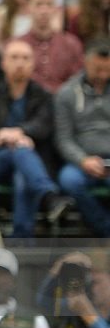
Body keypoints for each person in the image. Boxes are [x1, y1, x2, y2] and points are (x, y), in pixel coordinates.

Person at [0, 40, 72, 238]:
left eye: (25, 58)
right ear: (3, 63)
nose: (20, 63)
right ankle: (49, 196)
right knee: (20, 151)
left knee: (23, 174)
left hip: (31, 164)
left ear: (33, 64)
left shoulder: (43, 95)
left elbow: (43, 126)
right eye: (14, 57)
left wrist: (16, 133)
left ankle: (22, 239)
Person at [54, 37, 110, 236]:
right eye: (98, 69)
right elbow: (63, 138)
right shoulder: (67, 93)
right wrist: (83, 160)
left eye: (107, 69)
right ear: (85, 63)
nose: (103, 75)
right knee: (68, 180)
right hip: (82, 161)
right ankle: (105, 228)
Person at [15, 0, 84, 94]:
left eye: (49, 4)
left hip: (63, 103)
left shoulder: (71, 44)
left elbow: (79, 80)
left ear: (55, 9)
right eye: (38, 4)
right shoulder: (17, 45)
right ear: (28, 7)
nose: (44, 10)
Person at [37, 252, 110, 328]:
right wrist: (58, 268)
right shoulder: (77, 305)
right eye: (89, 283)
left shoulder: (85, 309)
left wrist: (89, 315)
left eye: (96, 282)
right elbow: (43, 301)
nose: (92, 288)